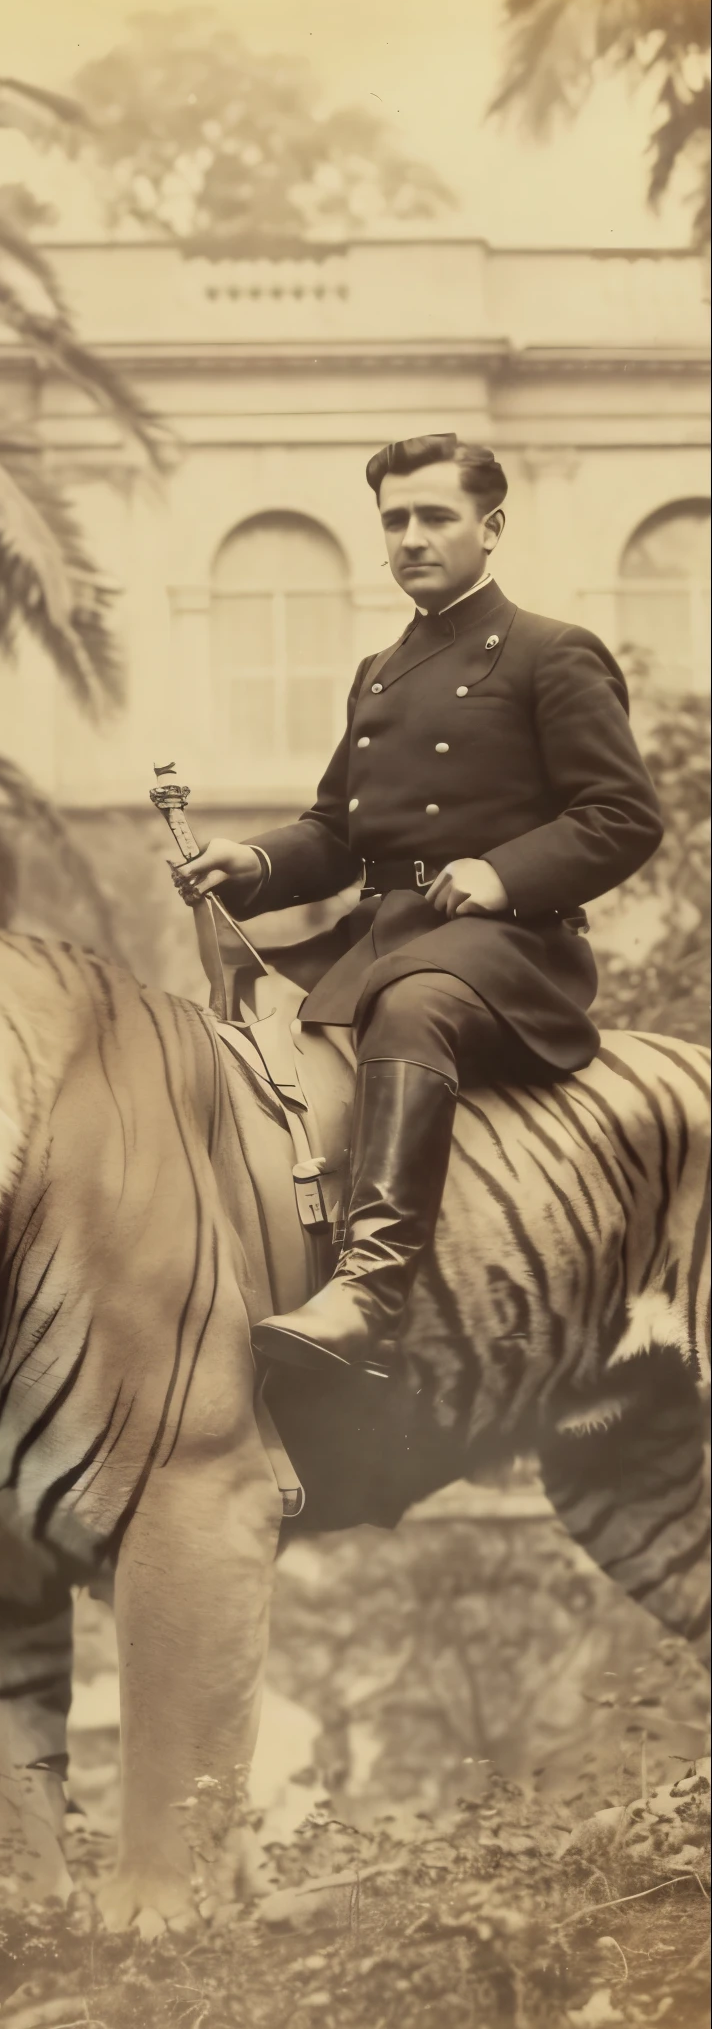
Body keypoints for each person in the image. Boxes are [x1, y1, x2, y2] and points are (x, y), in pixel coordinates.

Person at [176, 433, 663, 1394]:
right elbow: (337, 830)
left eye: (434, 517)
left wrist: (504, 873)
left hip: (513, 949)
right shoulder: (379, 671)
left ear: (490, 528)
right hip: (382, 939)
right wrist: (256, 861)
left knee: (413, 1009)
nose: (410, 537)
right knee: (222, 1041)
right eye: (394, 519)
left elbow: (622, 817)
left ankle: (372, 1290)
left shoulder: (551, 653)